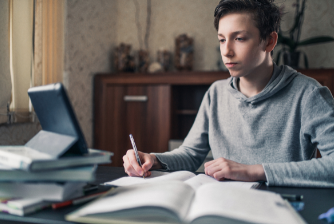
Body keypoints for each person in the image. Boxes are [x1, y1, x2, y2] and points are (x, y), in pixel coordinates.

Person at [123, 0, 334, 187]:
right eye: (222, 39)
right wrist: (152, 158)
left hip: (281, 208)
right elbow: (190, 154)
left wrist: (252, 171)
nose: (226, 51)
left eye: (239, 38)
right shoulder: (216, 93)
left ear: (270, 41)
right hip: (224, 205)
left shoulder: (309, 94)